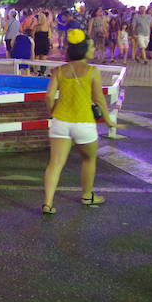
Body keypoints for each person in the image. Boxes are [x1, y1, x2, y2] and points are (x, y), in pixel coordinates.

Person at [42, 29, 116, 214]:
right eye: (91, 46)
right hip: (84, 123)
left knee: (55, 163)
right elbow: (98, 98)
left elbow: (49, 96)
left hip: (61, 121)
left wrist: (53, 112)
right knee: (89, 159)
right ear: (83, 49)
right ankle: (87, 196)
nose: (94, 49)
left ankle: (48, 203)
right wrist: (109, 120)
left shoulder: (59, 70)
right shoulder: (92, 71)